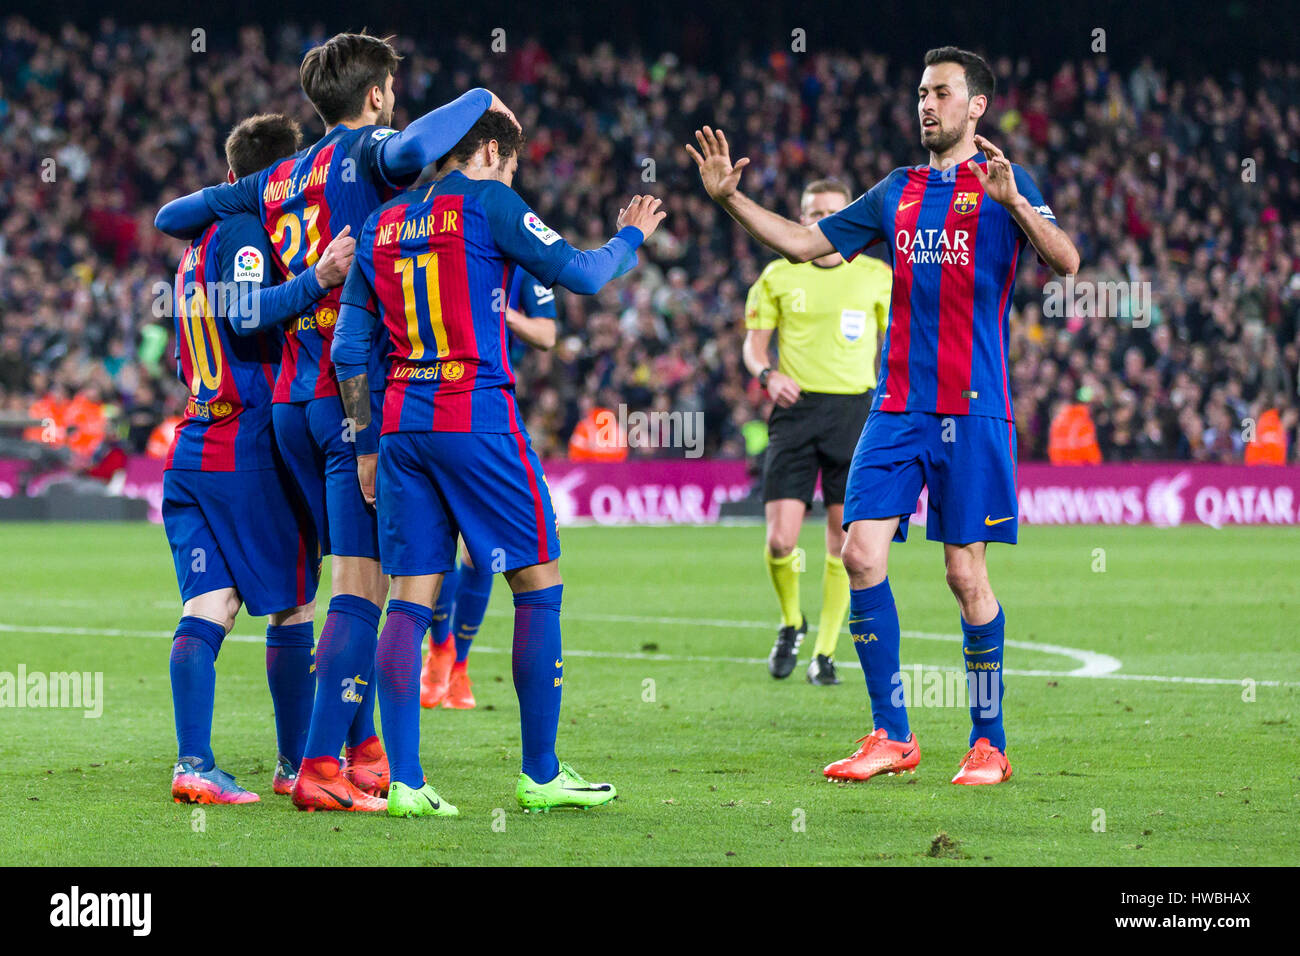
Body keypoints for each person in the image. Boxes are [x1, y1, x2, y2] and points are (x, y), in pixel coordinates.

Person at [690, 46, 1080, 785]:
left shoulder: (1005, 183)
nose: (927, 104)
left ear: (977, 107)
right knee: (860, 554)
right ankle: (891, 733)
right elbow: (804, 242)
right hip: (896, 407)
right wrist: (729, 200)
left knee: (965, 575)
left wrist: (1016, 204)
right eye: (922, 93)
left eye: (942, 93)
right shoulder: (896, 190)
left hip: (974, 409)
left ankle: (989, 742)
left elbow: (1067, 262)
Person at [155, 32, 518, 812]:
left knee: (339, 588)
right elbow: (417, 145)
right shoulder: (368, 153)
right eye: (391, 87)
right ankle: (320, 765)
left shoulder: (280, 176)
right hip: (350, 395)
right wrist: (482, 98)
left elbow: (173, 213)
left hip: (291, 401)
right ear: (378, 94)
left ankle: (360, 751)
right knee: (359, 591)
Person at [331, 110, 664, 816]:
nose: (512, 179)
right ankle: (540, 774)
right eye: (511, 166)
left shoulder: (381, 221)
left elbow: (348, 349)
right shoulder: (488, 201)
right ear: (488, 150)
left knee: (409, 599)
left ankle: (407, 783)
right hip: (475, 414)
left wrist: (365, 445)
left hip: (401, 425)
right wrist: (630, 236)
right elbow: (584, 275)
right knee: (537, 584)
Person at [162, 113, 354, 804]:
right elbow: (246, 313)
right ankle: (296, 765)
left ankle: (194, 763)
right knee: (294, 606)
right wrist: (318, 277)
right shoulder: (245, 232)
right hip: (243, 447)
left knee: (208, 606)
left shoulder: (196, 244)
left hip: (192, 443)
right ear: (283, 177)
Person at [742, 178, 891, 685]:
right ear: (801, 217)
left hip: (855, 414)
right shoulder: (778, 274)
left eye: (832, 211)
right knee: (781, 541)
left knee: (841, 544)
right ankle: (792, 622)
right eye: (812, 212)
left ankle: (824, 653)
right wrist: (767, 374)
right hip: (796, 411)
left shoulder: (876, 276)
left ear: (848, 216)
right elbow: (753, 347)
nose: (821, 220)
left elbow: (897, 343)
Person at [420, 268, 559, 711]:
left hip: (491, 409)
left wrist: (503, 314)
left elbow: (547, 335)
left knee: (481, 549)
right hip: (430, 406)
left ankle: (458, 663)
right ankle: (439, 649)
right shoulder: (443, 250)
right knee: (436, 543)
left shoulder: (522, 263)